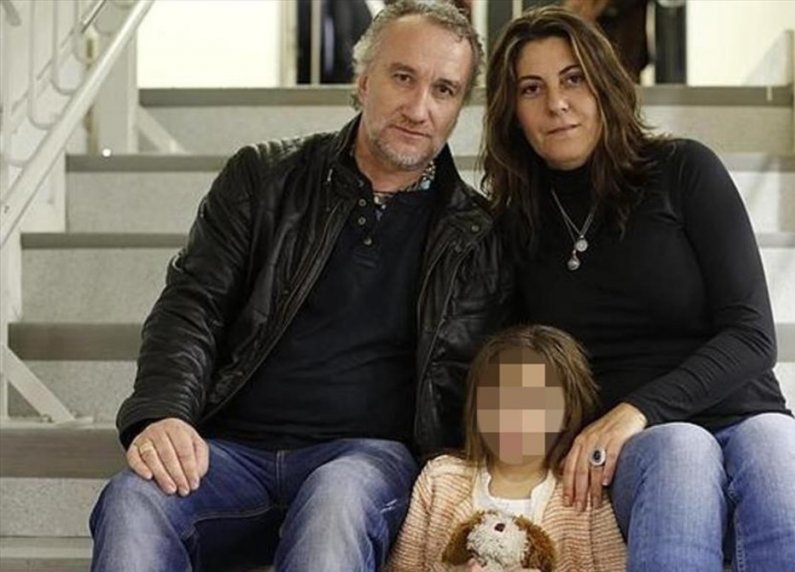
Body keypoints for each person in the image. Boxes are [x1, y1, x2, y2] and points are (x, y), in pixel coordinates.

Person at [89, 1, 510, 570]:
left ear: (460, 106)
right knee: (132, 500)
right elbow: (192, 305)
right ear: (363, 81)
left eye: (444, 90)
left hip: (363, 460)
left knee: (336, 505)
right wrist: (162, 412)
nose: (419, 108)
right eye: (402, 77)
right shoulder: (264, 179)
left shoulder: (478, 233)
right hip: (229, 452)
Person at [482, 7, 795, 572]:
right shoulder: (514, 224)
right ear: (512, 113)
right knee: (681, 450)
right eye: (532, 88)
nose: (557, 103)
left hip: (745, 413)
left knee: (776, 454)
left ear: (604, 84)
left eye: (574, 79)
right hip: (642, 450)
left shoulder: (683, 170)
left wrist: (638, 409)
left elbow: (752, 336)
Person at [386, 324, 627, 572]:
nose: (514, 416)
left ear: (566, 413)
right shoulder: (440, 479)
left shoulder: (584, 492)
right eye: (498, 399)